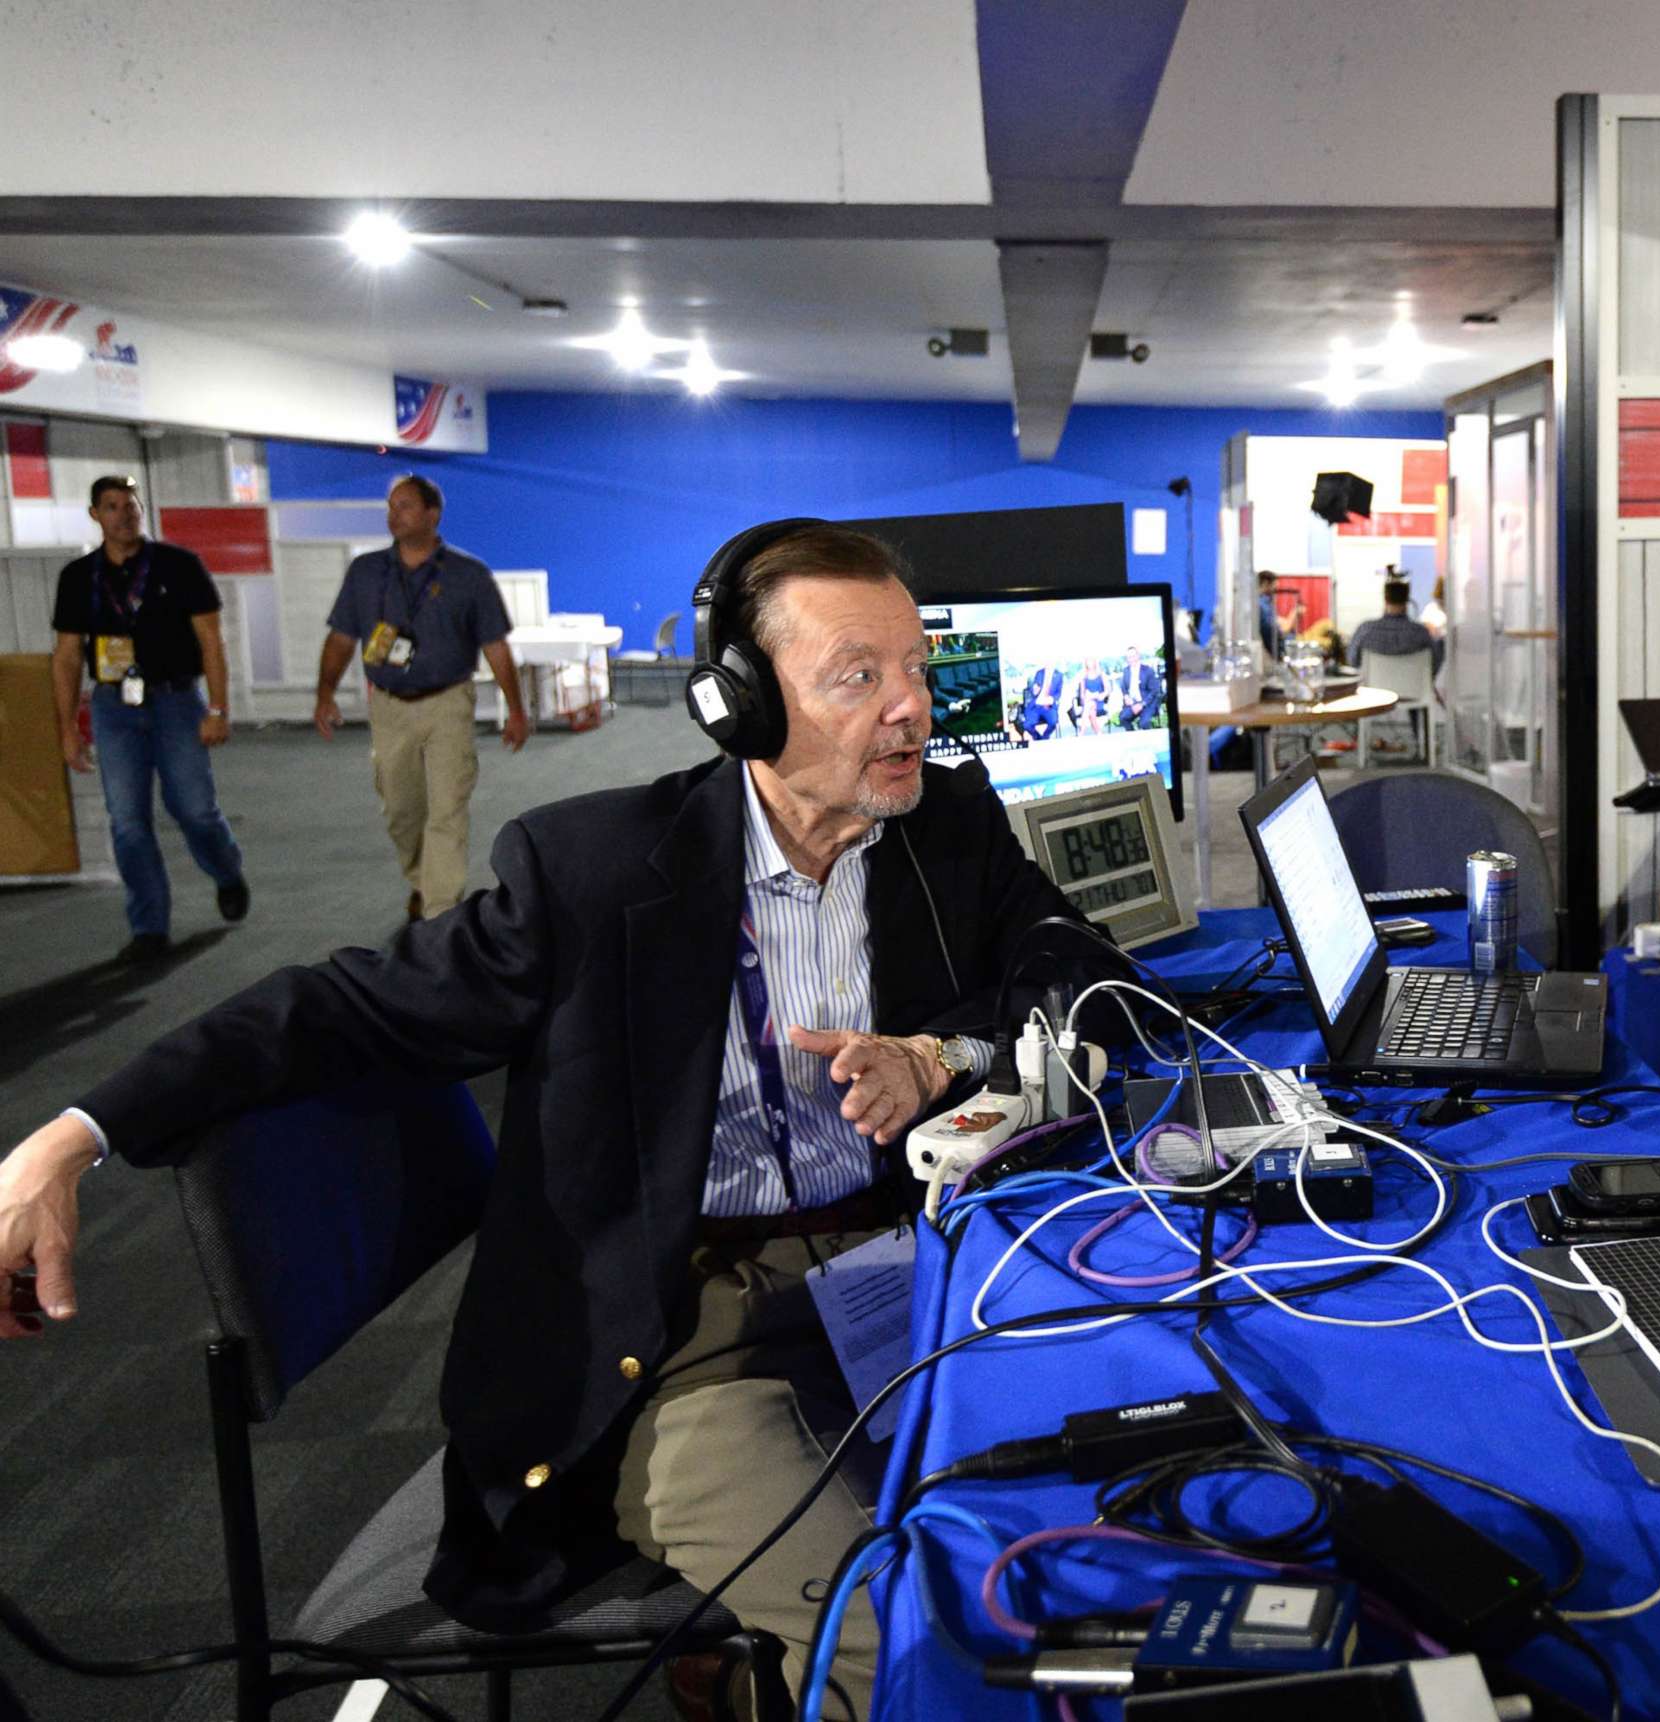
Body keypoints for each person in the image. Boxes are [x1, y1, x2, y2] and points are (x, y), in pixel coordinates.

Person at [0, 522, 1093, 1712]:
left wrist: (945, 1055)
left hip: (906, 1281)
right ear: (740, 706)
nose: (912, 711)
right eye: (858, 678)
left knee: (1127, 1510)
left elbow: (1068, 961)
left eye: (916, 670)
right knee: (919, 1644)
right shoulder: (594, 871)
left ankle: (757, 1685)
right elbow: (337, 1009)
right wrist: (69, 1137)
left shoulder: (942, 826)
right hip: (677, 1341)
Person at [47, 475, 251, 961]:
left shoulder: (179, 566)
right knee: (128, 821)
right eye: (112, 506)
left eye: (131, 505)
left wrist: (219, 709)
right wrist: (68, 731)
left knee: (194, 810)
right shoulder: (78, 577)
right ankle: (149, 927)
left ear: (142, 510)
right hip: (114, 707)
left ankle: (226, 872)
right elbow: (67, 657)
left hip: (177, 701)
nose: (124, 514)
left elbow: (211, 642)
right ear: (95, 515)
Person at [315, 474, 530, 922]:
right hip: (389, 705)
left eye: (406, 506)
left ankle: (440, 914)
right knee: (401, 810)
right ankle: (421, 880)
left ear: (433, 515)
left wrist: (516, 709)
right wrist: (325, 695)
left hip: (448, 702)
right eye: (391, 506)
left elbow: (496, 646)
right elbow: (340, 638)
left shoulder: (469, 576)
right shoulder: (366, 572)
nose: (394, 514)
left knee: (448, 808)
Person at [1347, 577, 1441, 678]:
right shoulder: (1422, 633)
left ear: (1386, 599)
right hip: (1414, 692)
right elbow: (1434, 666)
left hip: (1375, 692)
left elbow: (1352, 661)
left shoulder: (1365, 630)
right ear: (1407, 600)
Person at [1113, 643, 1164, 730]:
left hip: (1147, 703)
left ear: (1138, 656)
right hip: (1132, 703)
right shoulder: (1126, 671)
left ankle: (1148, 740)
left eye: (1133, 656)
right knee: (1123, 718)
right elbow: (1123, 687)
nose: (1131, 659)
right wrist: (1126, 696)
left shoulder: (1148, 670)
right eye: (1128, 657)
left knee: (1144, 723)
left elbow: (1154, 691)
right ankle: (1133, 736)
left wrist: (1142, 704)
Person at [1018, 662, 1065, 740]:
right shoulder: (1039, 673)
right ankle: (1038, 738)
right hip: (1037, 704)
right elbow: (1034, 690)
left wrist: (1052, 699)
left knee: (1053, 722)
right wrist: (1035, 690)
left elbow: (1058, 692)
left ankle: (1045, 736)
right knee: (1027, 725)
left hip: (1049, 705)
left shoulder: (1059, 675)